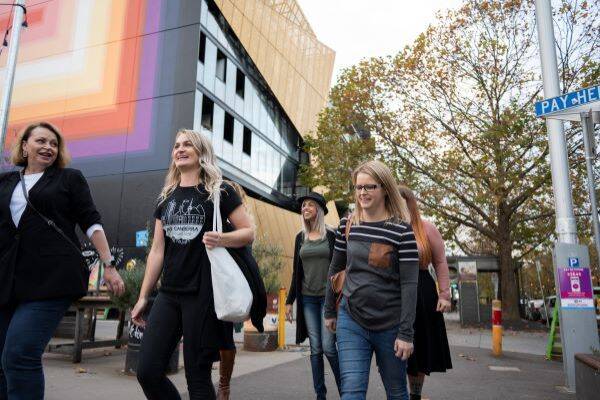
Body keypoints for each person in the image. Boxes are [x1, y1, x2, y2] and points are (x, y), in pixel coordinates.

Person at [0, 122, 125, 400]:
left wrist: (109, 265)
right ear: (24, 146)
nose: (48, 147)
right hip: (7, 280)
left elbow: (91, 222)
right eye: (41, 141)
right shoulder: (6, 182)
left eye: (54, 144)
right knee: (2, 360)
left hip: (51, 279)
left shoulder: (69, 178)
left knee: (20, 354)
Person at [132, 129, 255, 400]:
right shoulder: (166, 197)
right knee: (148, 371)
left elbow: (248, 233)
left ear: (202, 152)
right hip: (169, 294)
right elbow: (156, 251)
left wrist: (222, 238)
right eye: (176, 145)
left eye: (188, 144)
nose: (180, 149)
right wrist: (143, 296)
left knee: (197, 377)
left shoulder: (220, 191)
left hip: (203, 294)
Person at [324, 160, 419, 400]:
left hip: (391, 324)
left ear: (385, 189)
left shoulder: (402, 231)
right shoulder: (348, 224)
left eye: (370, 187)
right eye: (359, 188)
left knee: (397, 392)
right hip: (351, 319)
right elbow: (336, 268)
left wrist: (406, 333)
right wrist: (329, 310)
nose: (362, 193)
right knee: (352, 391)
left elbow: (409, 284)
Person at [285, 192, 342, 399]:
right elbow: (295, 272)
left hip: (328, 301)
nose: (305, 208)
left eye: (309, 205)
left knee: (329, 348)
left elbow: (341, 268)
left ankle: (347, 391)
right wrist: (289, 301)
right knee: (315, 349)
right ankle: (320, 394)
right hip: (307, 299)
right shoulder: (300, 238)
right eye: (303, 206)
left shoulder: (332, 236)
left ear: (319, 210)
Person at [398, 186, 452, 400]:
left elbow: (440, 262)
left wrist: (444, 294)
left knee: (419, 349)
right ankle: (397, 392)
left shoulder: (427, 228)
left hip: (422, 292)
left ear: (409, 203)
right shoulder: (386, 227)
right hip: (393, 290)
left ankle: (415, 396)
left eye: (400, 200)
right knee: (392, 347)